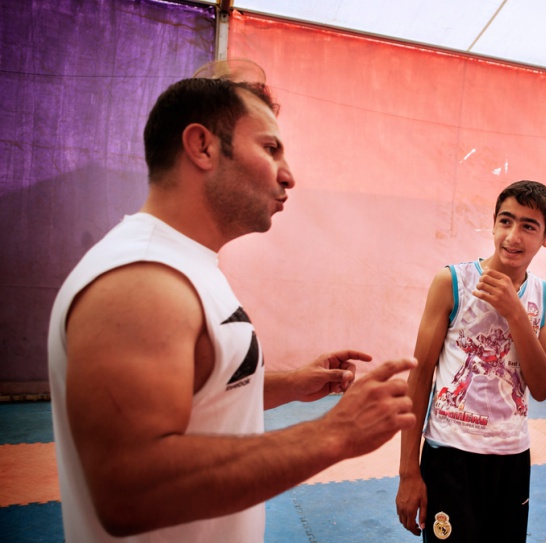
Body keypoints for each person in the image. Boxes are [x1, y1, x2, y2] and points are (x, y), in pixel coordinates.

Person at [47, 77, 417, 542]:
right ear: (202, 146)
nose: (288, 175)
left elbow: (199, 393)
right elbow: (129, 489)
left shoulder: (187, 264)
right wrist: (334, 434)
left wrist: (290, 385)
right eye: (270, 148)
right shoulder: (141, 280)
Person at [395, 180, 546, 542]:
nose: (513, 236)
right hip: (451, 454)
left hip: (512, 458)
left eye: (528, 226)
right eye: (505, 221)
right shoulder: (452, 282)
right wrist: (409, 472)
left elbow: (544, 387)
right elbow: (420, 377)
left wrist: (516, 314)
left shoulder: (544, 295)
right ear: (494, 223)